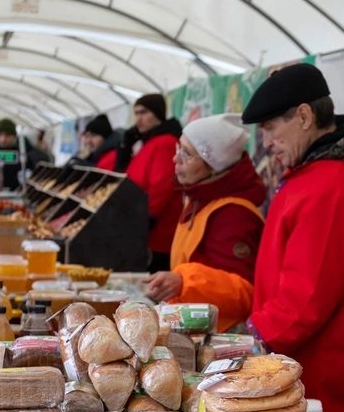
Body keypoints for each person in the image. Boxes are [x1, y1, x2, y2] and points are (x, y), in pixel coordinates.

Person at [241, 63, 344, 412]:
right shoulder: (324, 172)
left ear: (303, 116)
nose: (265, 143)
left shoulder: (334, 185)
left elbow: (304, 302)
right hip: (319, 375)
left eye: (269, 128)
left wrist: (253, 340)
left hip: (319, 383)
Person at [143, 114, 266, 332]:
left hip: (221, 337)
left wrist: (183, 282)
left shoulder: (234, 215)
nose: (175, 159)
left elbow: (245, 294)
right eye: (178, 149)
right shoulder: (198, 198)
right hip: (196, 325)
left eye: (187, 154)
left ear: (213, 167)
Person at [101, 94, 183, 273]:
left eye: (144, 112)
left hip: (156, 235)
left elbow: (162, 187)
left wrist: (144, 222)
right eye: (136, 113)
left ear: (158, 114)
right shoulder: (149, 143)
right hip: (141, 228)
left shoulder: (165, 143)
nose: (138, 118)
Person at [0, 118, 53, 188]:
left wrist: (27, 176)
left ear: (14, 136)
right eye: (0, 135)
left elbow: (31, 169)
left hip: (15, 192)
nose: (3, 139)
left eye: (7, 135)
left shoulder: (22, 154)